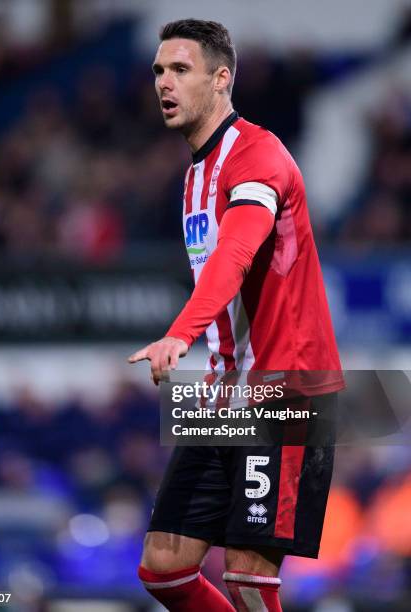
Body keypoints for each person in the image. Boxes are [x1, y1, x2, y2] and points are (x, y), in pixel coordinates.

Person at [128, 19, 343, 612]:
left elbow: (236, 253)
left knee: (248, 578)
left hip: (286, 391)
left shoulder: (257, 155)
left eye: (180, 69)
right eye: (157, 71)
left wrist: (179, 333)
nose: (163, 84)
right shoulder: (196, 174)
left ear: (222, 79)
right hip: (225, 397)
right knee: (164, 569)